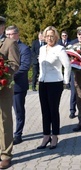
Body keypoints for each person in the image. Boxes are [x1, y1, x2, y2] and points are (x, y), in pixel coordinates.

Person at [37, 26, 71, 150]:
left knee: (53, 110)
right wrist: (39, 78)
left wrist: (66, 82)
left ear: (56, 37)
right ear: (44, 37)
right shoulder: (41, 49)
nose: (49, 38)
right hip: (43, 82)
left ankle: (55, 135)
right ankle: (46, 135)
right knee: (44, 110)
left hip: (55, 82)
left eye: (52, 36)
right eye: (47, 36)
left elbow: (67, 66)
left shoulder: (60, 49)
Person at [5, 25, 31, 145]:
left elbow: (24, 67)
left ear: (17, 34)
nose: (9, 37)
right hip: (4, 86)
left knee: (18, 111)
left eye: (12, 34)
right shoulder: (4, 46)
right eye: (7, 34)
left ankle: (18, 134)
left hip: (18, 86)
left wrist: (7, 75)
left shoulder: (23, 48)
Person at [0, 16, 20, 169]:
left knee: (4, 121)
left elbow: (14, 65)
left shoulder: (9, 43)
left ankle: (6, 154)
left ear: (2, 27)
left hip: (3, 88)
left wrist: (2, 72)